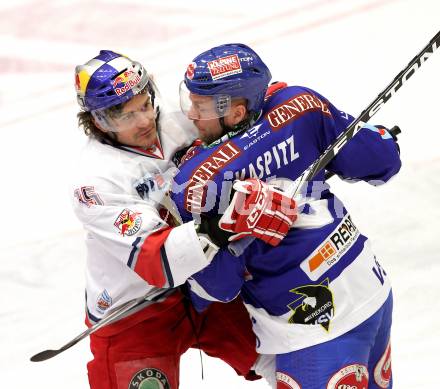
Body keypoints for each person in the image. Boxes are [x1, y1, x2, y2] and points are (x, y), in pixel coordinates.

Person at [170, 43, 401, 388]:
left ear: (234, 112)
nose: (191, 114)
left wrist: (197, 260)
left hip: (312, 330)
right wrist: (381, 137)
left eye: (200, 106)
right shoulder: (299, 104)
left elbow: (218, 287)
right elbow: (381, 162)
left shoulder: (198, 178)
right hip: (369, 289)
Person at [72, 49, 286, 389]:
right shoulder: (96, 181)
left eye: (145, 105)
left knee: (286, 361)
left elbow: (244, 120)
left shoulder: (178, 122)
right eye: (125, 116)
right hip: (136, 315)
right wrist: (219, 226)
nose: (144, 121)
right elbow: (154, 256)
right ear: (99, 121)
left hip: (202, 287)